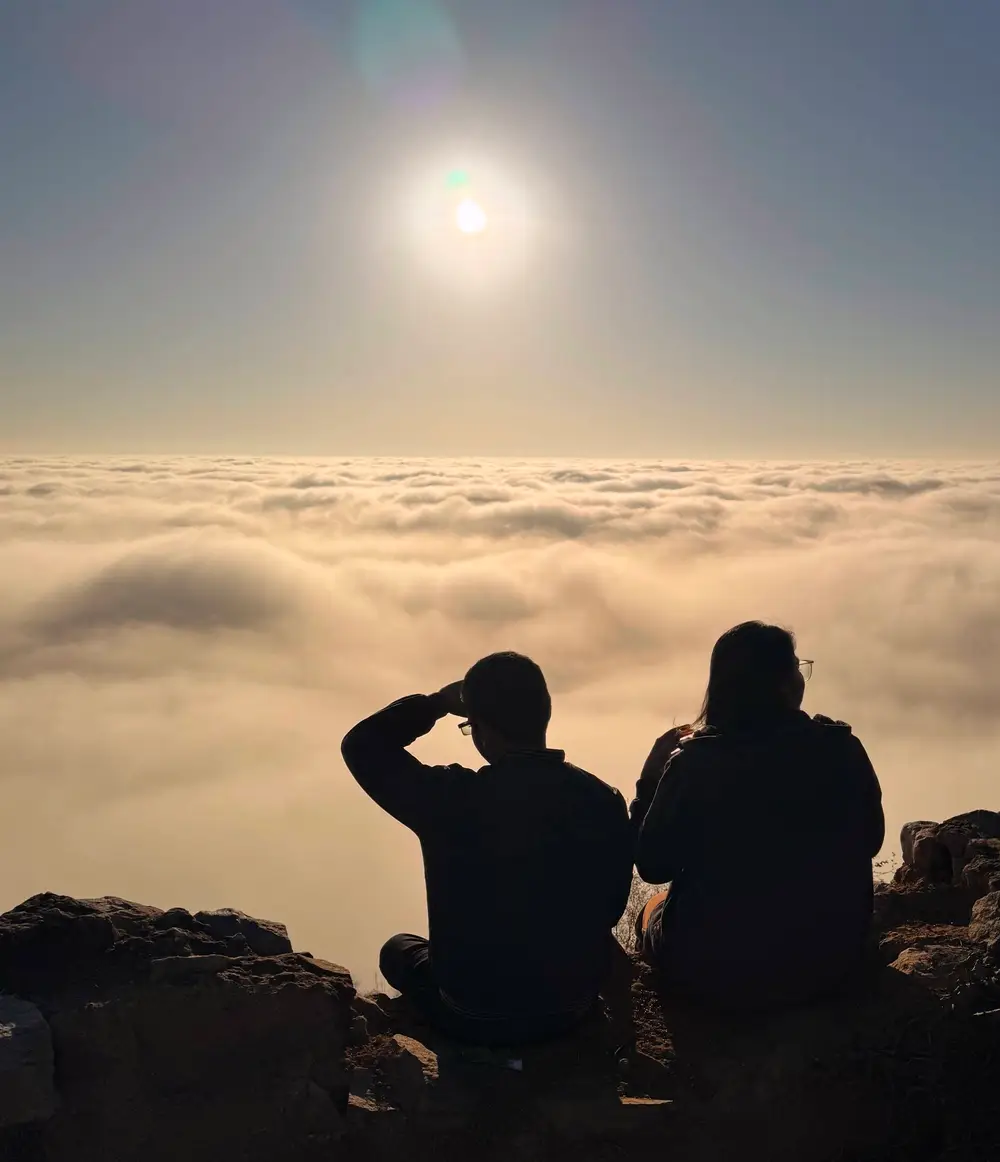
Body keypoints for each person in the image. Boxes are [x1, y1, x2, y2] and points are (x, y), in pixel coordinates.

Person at [342, 651, 634, 1045]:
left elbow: (362, 745)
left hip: (474, 1010)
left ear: (479, 729)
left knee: (398, 950)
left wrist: (436, 704)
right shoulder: (603, 800)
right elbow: (611, 909)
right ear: (544, 715)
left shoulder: (450, 799)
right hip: (570, 1007)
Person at [631, 622, 885, 1010]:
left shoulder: (695, 763)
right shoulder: (842, 749)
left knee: (652, 911)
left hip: (716, 970)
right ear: (785, 684)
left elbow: (652, 865)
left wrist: (650, 782)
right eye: (796, 667)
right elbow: (872, 840)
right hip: (830, 965)